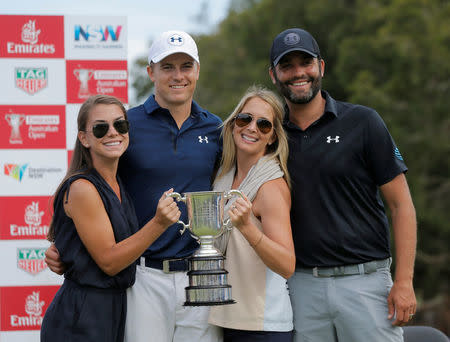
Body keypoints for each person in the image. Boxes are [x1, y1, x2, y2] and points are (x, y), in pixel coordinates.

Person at [45, 31, 223, 342]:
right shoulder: (125, 125)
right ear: (150, 72)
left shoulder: (218, 128)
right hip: (142, 277)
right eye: (167, 67)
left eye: (186, 66)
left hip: (200, 272)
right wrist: (63, 245)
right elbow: (88, 187)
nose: (178, 75)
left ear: (197, 70)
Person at [269, 28, 417, 341]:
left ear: (320, 67)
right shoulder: (271, 134)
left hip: (366, 283)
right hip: (301, 286)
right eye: (287, 66)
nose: (298, 73)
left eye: (305, 63)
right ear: (274, 75)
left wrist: (403, 281)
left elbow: (401, 205)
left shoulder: (363, 122)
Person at [40, 95, 180, 342]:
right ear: (84, 138)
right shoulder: (83, 187)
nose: (113, 133)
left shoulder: (116, 183)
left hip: (113, 311)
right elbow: (109, 261)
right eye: (101, 128)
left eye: (120, 125)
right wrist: (159, 223)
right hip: (82, 317)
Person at [208, 86, 296, 342]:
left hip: (263, 325)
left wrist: (247, 227)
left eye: (264, 125)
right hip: (229, 318)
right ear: (234, 123)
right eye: (245, 119)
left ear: (272, 137)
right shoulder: (224, 178)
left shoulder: (270, 187)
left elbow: (287, 265)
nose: (251, 128)